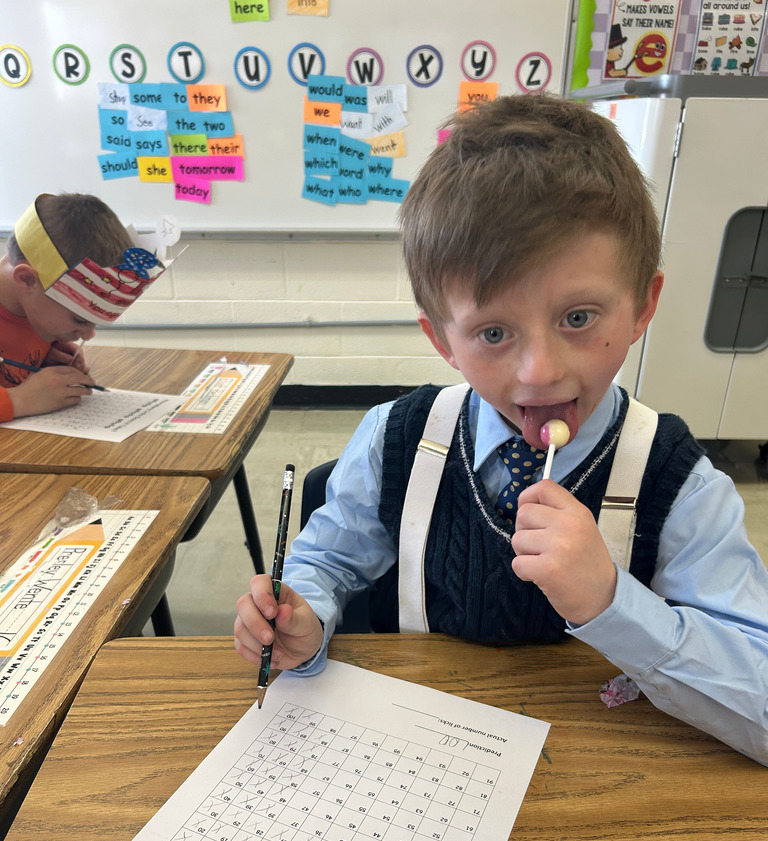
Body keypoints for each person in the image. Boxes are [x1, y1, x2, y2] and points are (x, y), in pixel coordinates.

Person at [234, 93, 768, 766]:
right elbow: (325, 564)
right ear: (443, 341)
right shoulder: (395, 440)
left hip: (595, 780)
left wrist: (610, 601)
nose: (540, 372)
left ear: (642, 307)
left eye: (579, 318)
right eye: (493, 332)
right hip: (414, 763)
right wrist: (300, 615)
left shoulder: (680, 485)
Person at [0, 192, 166, 421]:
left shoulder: (36, 307)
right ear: (27, 280)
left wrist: (46, 355)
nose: (90, 334)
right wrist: (18, 400)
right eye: (79, 319)